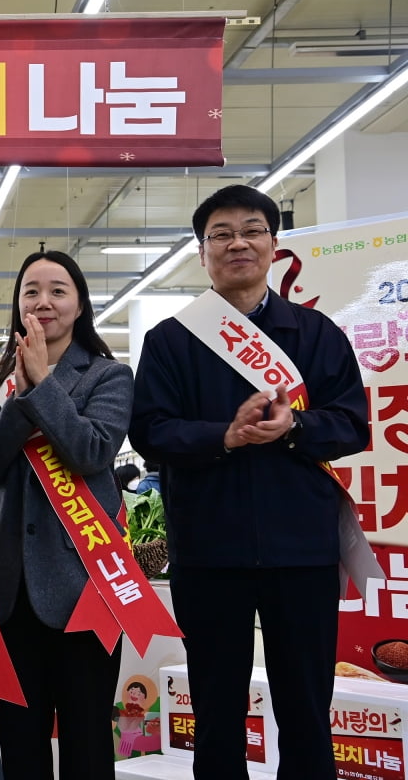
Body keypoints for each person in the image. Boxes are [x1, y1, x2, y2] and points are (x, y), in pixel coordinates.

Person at [130, 185, 369, 780]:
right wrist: (225, 437)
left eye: (252, 230)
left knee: (308, 709)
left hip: (303, 551)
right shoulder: (171, 340)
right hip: (211, 553)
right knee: (216, 710)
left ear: (273, 244)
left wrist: (296, 426)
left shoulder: (316, 335)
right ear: (202, 250)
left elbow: (352, 424)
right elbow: (151, 432)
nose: (238, 242)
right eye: (221, 234)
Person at [0, 250, 132, 780]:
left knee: (87, 741)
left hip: (86, 583)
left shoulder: (110, 376)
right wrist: (20, 392)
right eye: (31, 291)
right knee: (19, 741)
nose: (44, 302)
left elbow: (91, 452)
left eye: (58, 291)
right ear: (17, 306)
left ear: (80, 303)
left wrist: (44, 385)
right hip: (7, 583)